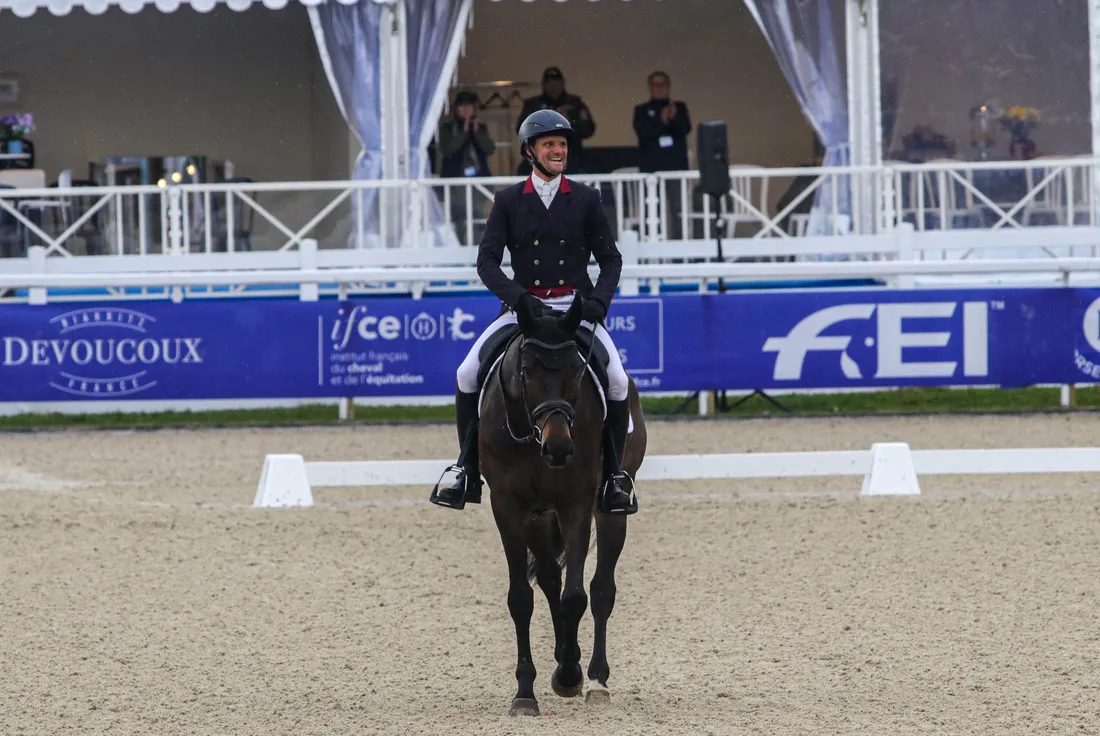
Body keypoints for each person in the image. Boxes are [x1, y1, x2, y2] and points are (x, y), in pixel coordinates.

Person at [430, 109, 637, 516]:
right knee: (466, 374)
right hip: (522, 310)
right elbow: (487, 262)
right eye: (549, 145)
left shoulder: (585, 198)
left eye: (562, 144)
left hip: (573, 309)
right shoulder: (508, 201)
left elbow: (610, 260)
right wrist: (519, 297)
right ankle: (467, 469)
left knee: (616, 380)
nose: (558, 150)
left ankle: (614, 475)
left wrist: (598, 302)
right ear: (530, 151)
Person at [633, 71, 692, 239]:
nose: (659, 88)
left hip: (676, 167)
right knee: (653, 209)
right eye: (655, 84)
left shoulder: (679, 107)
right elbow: (643, 133)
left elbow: (685, 129)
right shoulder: (641, 110)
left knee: (679, 209)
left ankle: (682, 247)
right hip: (652, 168)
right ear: (650, 87)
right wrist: (662, 121)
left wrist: (672, 119)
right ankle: (653, 245)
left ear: (669, 86)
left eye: (663, 84)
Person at [437, 90, 496, 242]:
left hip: (478, 183)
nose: (466, 110)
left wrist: (476, 133)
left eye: (469, 106)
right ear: (456, 109)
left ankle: (476, 254)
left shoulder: (480, 127)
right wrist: (464, 132)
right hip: (455, 184)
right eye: (462, 107)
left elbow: (489, 149)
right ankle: (459, 254)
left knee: (476, 220)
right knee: (457, 221)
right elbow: (448, 149)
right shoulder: (447, 128)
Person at [515, 67, 596, 176]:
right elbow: (522, 131)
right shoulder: (533, 105)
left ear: (562, 83)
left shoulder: (575, 103)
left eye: (556, 82)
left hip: (571, 158)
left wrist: (569, 124)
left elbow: (589, 130)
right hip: (541, 158)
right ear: (543, 85)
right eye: (549, 82)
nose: (553, 86)